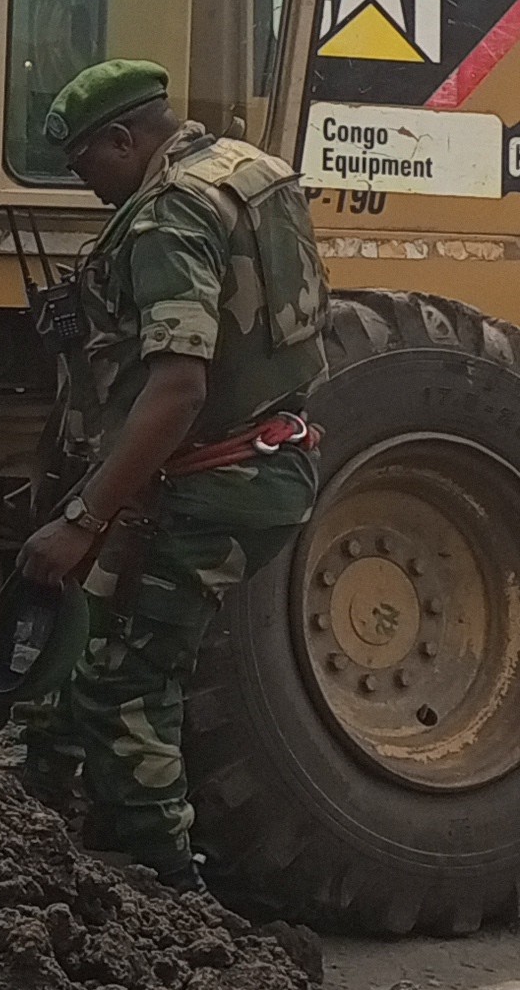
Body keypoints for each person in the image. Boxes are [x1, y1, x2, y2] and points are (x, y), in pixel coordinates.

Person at [16, 59, 327, 890]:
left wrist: (84, 518)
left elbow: (179, 387)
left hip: (205, 479)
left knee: (123, 681)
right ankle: (25, 815)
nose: (84, 185)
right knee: (81, 642)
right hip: (266, 456)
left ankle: (170, 895)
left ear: (124, 139)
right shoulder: (246, 171)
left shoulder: (166, 214)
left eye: (85, 163)